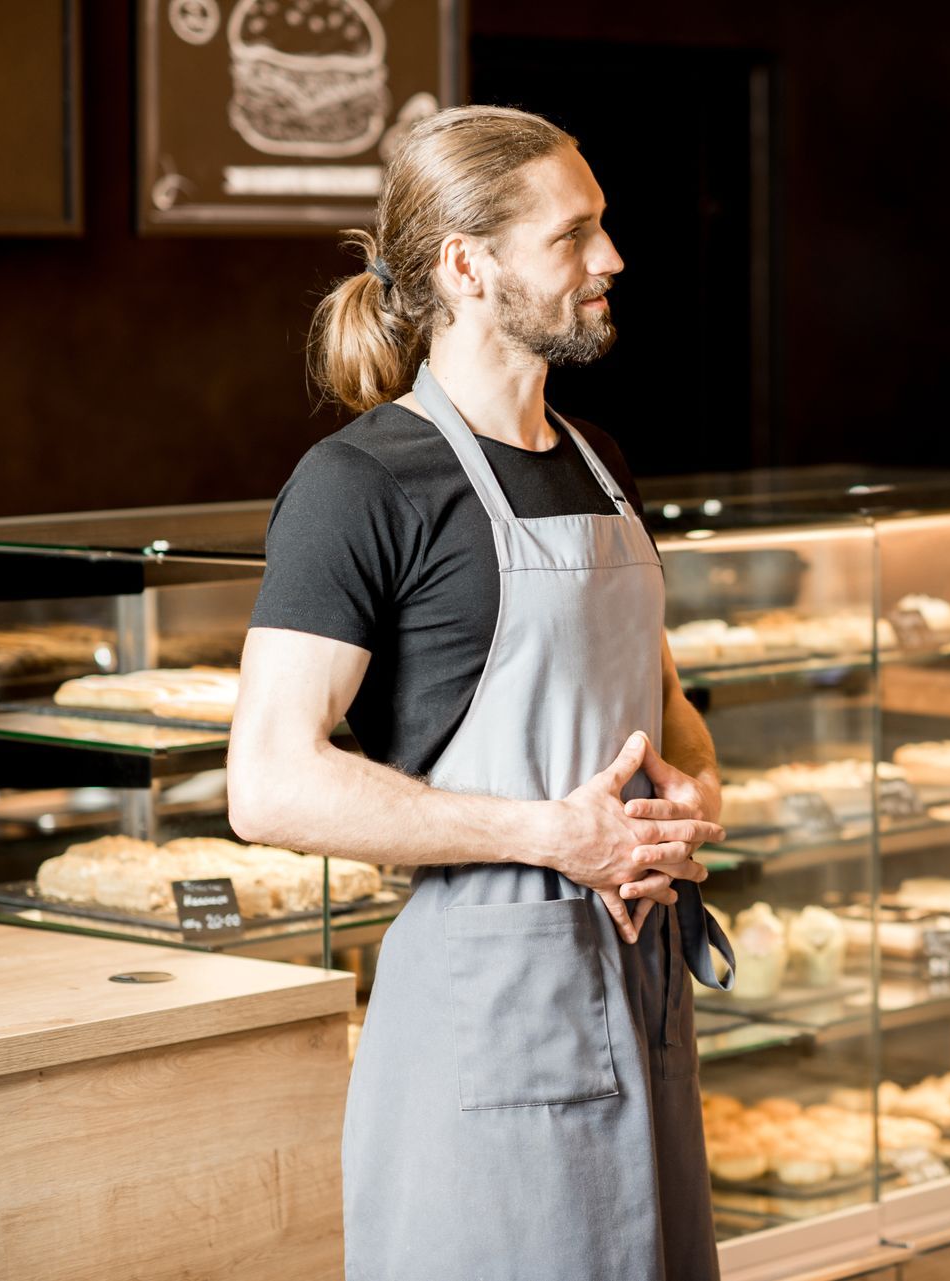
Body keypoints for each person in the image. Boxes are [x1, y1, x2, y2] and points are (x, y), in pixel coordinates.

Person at [228, 105, 735, 1281]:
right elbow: (268, 783)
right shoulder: (360, 484)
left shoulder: (602, 459)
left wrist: (692, 799)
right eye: (575, 235)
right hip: (488, 1023)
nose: (610, 261)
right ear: (468, 266)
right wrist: (557, 836)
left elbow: (664, 702)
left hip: (644, 994)